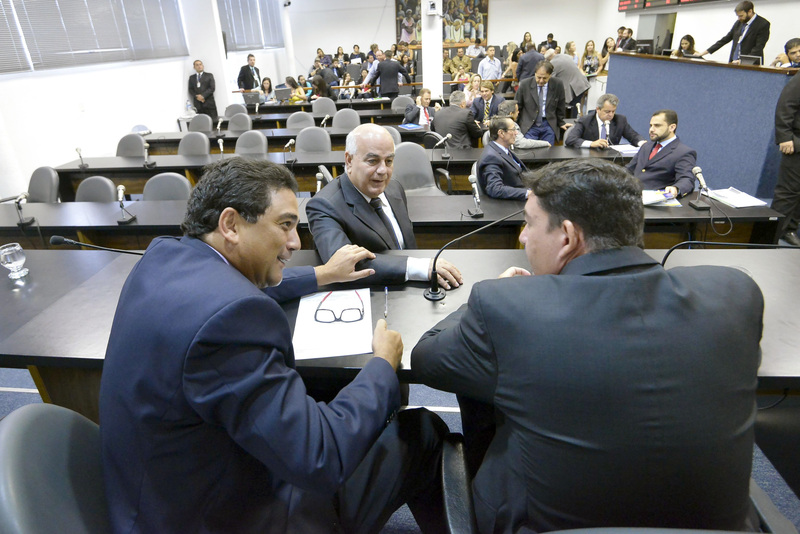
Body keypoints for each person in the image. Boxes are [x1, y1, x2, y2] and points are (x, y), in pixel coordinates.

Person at [411, 157, 764, 534]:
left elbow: (426, 358)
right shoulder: (735, 293)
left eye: (529, 223)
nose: (523, 237)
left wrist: (484, 297)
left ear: (567, 236)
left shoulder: (507, 306)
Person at [100, 157, 450, 533]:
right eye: (285, 225)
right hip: (233, 517)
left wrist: (322, 274)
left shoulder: (163, 257)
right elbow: (320, 457)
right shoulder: (231, 320)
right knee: (422, 432)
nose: (295, 242)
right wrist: (382, 363)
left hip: (158, 494)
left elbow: (237, 284)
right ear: (231, 224)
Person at [306, 124, 463, 287]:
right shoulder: (323, 206)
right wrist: (419, 267)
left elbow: (407, 246)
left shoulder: (394, 187)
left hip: (414, 287)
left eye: (389, 161)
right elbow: (344, 266)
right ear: (349, 160)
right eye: (372, 161)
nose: (383, 170)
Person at [626, 109, 697, 197]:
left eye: (657, 126)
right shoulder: (646, 146)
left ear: (672, 127)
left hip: (655, 199)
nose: (651, 129)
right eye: (651, 125)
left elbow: (687, 179)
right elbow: (629, 169)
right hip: (632, 194)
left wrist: (676, 188)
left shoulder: (683, 152)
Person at [770, 69, 800, 245]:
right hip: (795, 142)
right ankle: (772, 232)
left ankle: (789, 229)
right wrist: (784, 136)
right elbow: (786, 105)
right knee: (788, 191)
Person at [699, 1, 770, 63]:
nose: (739, 18)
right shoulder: (739, 22)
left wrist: (743, 61)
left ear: (750, 11)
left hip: (751, 64)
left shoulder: (763, 24)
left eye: (741, 16)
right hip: (734, 62)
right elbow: (725, 39)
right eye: (738, 16)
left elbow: (758, 47)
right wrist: (704, 53)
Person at [565, 93, 646, 149]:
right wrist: (592, 144)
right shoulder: (585, 120)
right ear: (598, 109)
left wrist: (642, 143)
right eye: (607, 112)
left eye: (613, 111)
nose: (611, 115)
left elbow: (633, 136)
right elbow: (571, 139)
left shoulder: (620, 120)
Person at [516, 60, 569, 144]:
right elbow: (517, 106)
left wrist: (561, 122)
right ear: (535, 74)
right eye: (538, 77)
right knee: (530, 150)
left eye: (544, 78)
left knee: (548, 150)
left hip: (548, 124)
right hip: (529, 125)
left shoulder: (557, 84)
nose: (541, 81)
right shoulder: (524, 84)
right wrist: (515, 125)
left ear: (550, 75)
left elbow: (560, 105)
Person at [476, 116, 529, 200]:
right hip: (515, 202)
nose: (516, 133)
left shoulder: (502, 150)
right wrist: (527, 193)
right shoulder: (491, 157)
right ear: (501, 133)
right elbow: (495, 189)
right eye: (513, 129)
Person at [545, 49, 590, 118]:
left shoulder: (552, 63)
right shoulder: (566, 56)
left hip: (573, 88)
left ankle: (571, 123)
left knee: (571, 110)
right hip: (581, 84)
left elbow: (550, 80)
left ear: (548, 59)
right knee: (576, 106)